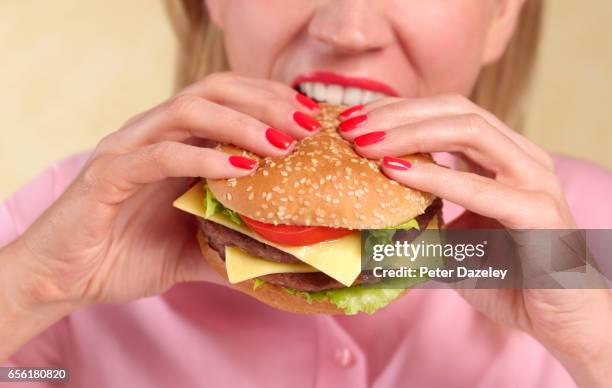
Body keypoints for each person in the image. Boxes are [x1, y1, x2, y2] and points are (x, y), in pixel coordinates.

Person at [1, 1, 611, 387]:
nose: (347, 29)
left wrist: (594, 342)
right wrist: (33, 288)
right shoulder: (80, 214)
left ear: (502, 14)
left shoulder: (593, 221)